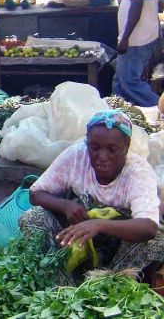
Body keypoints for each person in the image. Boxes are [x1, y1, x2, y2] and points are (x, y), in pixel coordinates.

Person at [19, 110, 163, 275]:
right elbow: (35, 193)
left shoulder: (138, 173)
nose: (102, 156)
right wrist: (65, 206)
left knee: (156, 240)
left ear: (126, 146)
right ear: (87, 143)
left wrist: (99, 225)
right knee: (33, 217)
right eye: (94, 147)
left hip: (118, 248)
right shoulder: (76, 156)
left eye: (112, 150)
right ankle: (55, 279)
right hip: (75, 238)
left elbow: (149, 227)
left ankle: (110, 281)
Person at [113, 0, 161, 107]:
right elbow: (159, 5)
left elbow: (136, 5)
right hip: (143, 36)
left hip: (135, 40)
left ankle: (159, 105)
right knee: (119, 82)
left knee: (130, 81)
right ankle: (119, 112)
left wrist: (125, 38)